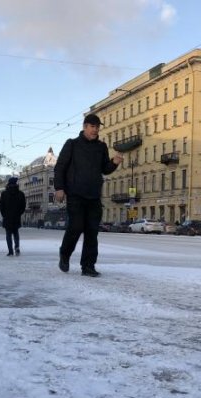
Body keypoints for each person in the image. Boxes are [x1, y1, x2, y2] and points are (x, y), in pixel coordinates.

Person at [53, 114, 122, 277]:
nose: (95, 130)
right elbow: (60, 167)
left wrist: (114, 163)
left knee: (92, 232)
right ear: (85, 127)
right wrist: (59, 188)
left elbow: (105, 168)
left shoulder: (101, 147)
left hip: (93, 195)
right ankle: (64, 254)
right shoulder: (72, 144)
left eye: (98, 127)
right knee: (75, 227)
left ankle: (88, 266)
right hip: (75, 194)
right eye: (92, 126)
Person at [0, 177, 26, 256]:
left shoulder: (4, 194)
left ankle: (10, 251)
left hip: (7, 217)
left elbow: (1, 206)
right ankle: (17, 247)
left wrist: (4, 215)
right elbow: (23, 206)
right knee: (16, 233)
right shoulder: (21, 194)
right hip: (16, 217)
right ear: (16, 184)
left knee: (8, 234)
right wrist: (19, 213)